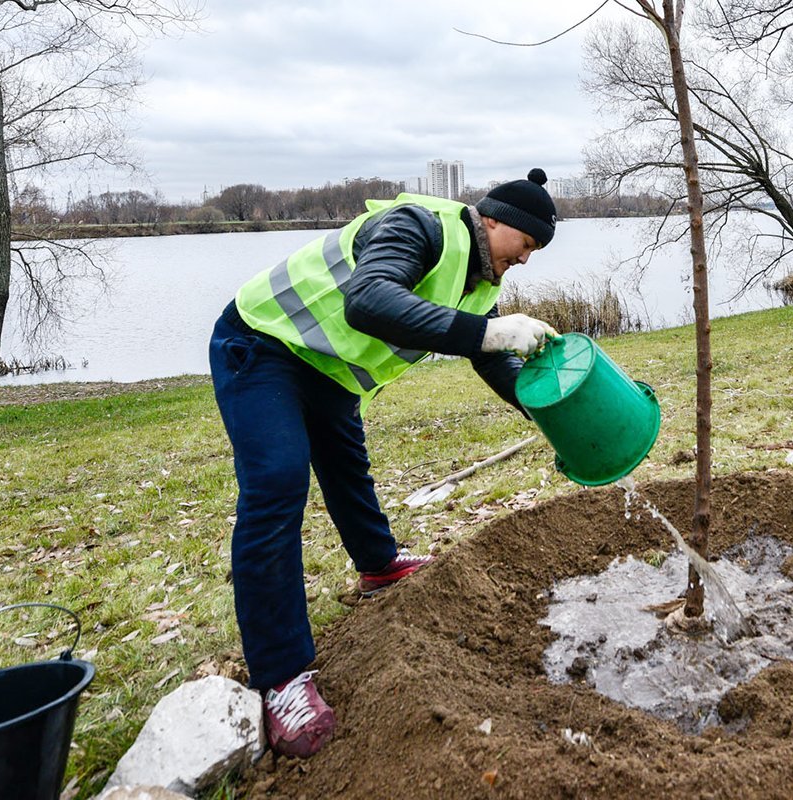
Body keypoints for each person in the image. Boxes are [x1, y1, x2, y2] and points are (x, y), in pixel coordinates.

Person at [208, 169, 561, 758]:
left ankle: (378, 565)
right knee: (277, 482)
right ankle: (281, 678)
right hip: (265, 344)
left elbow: (490, 359)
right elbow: (368, 300)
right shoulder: (418, 226)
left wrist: (554, 411)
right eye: (525, 245)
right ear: (495, 220)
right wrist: (488, 333)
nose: (526, 259)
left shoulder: (478, 283)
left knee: (347, 467)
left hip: (329, 372)